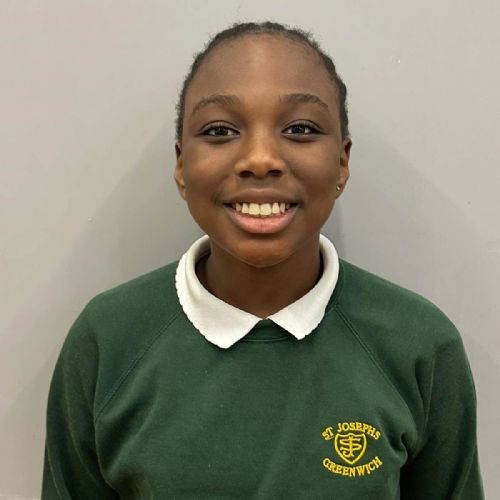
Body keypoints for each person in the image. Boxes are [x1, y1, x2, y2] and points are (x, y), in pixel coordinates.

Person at [42, 21, 484, 499]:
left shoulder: (419, 345)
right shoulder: (108, 340)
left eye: (300, 129)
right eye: (219, 130)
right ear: (181, 165)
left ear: (341, 162)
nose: (259, 159)